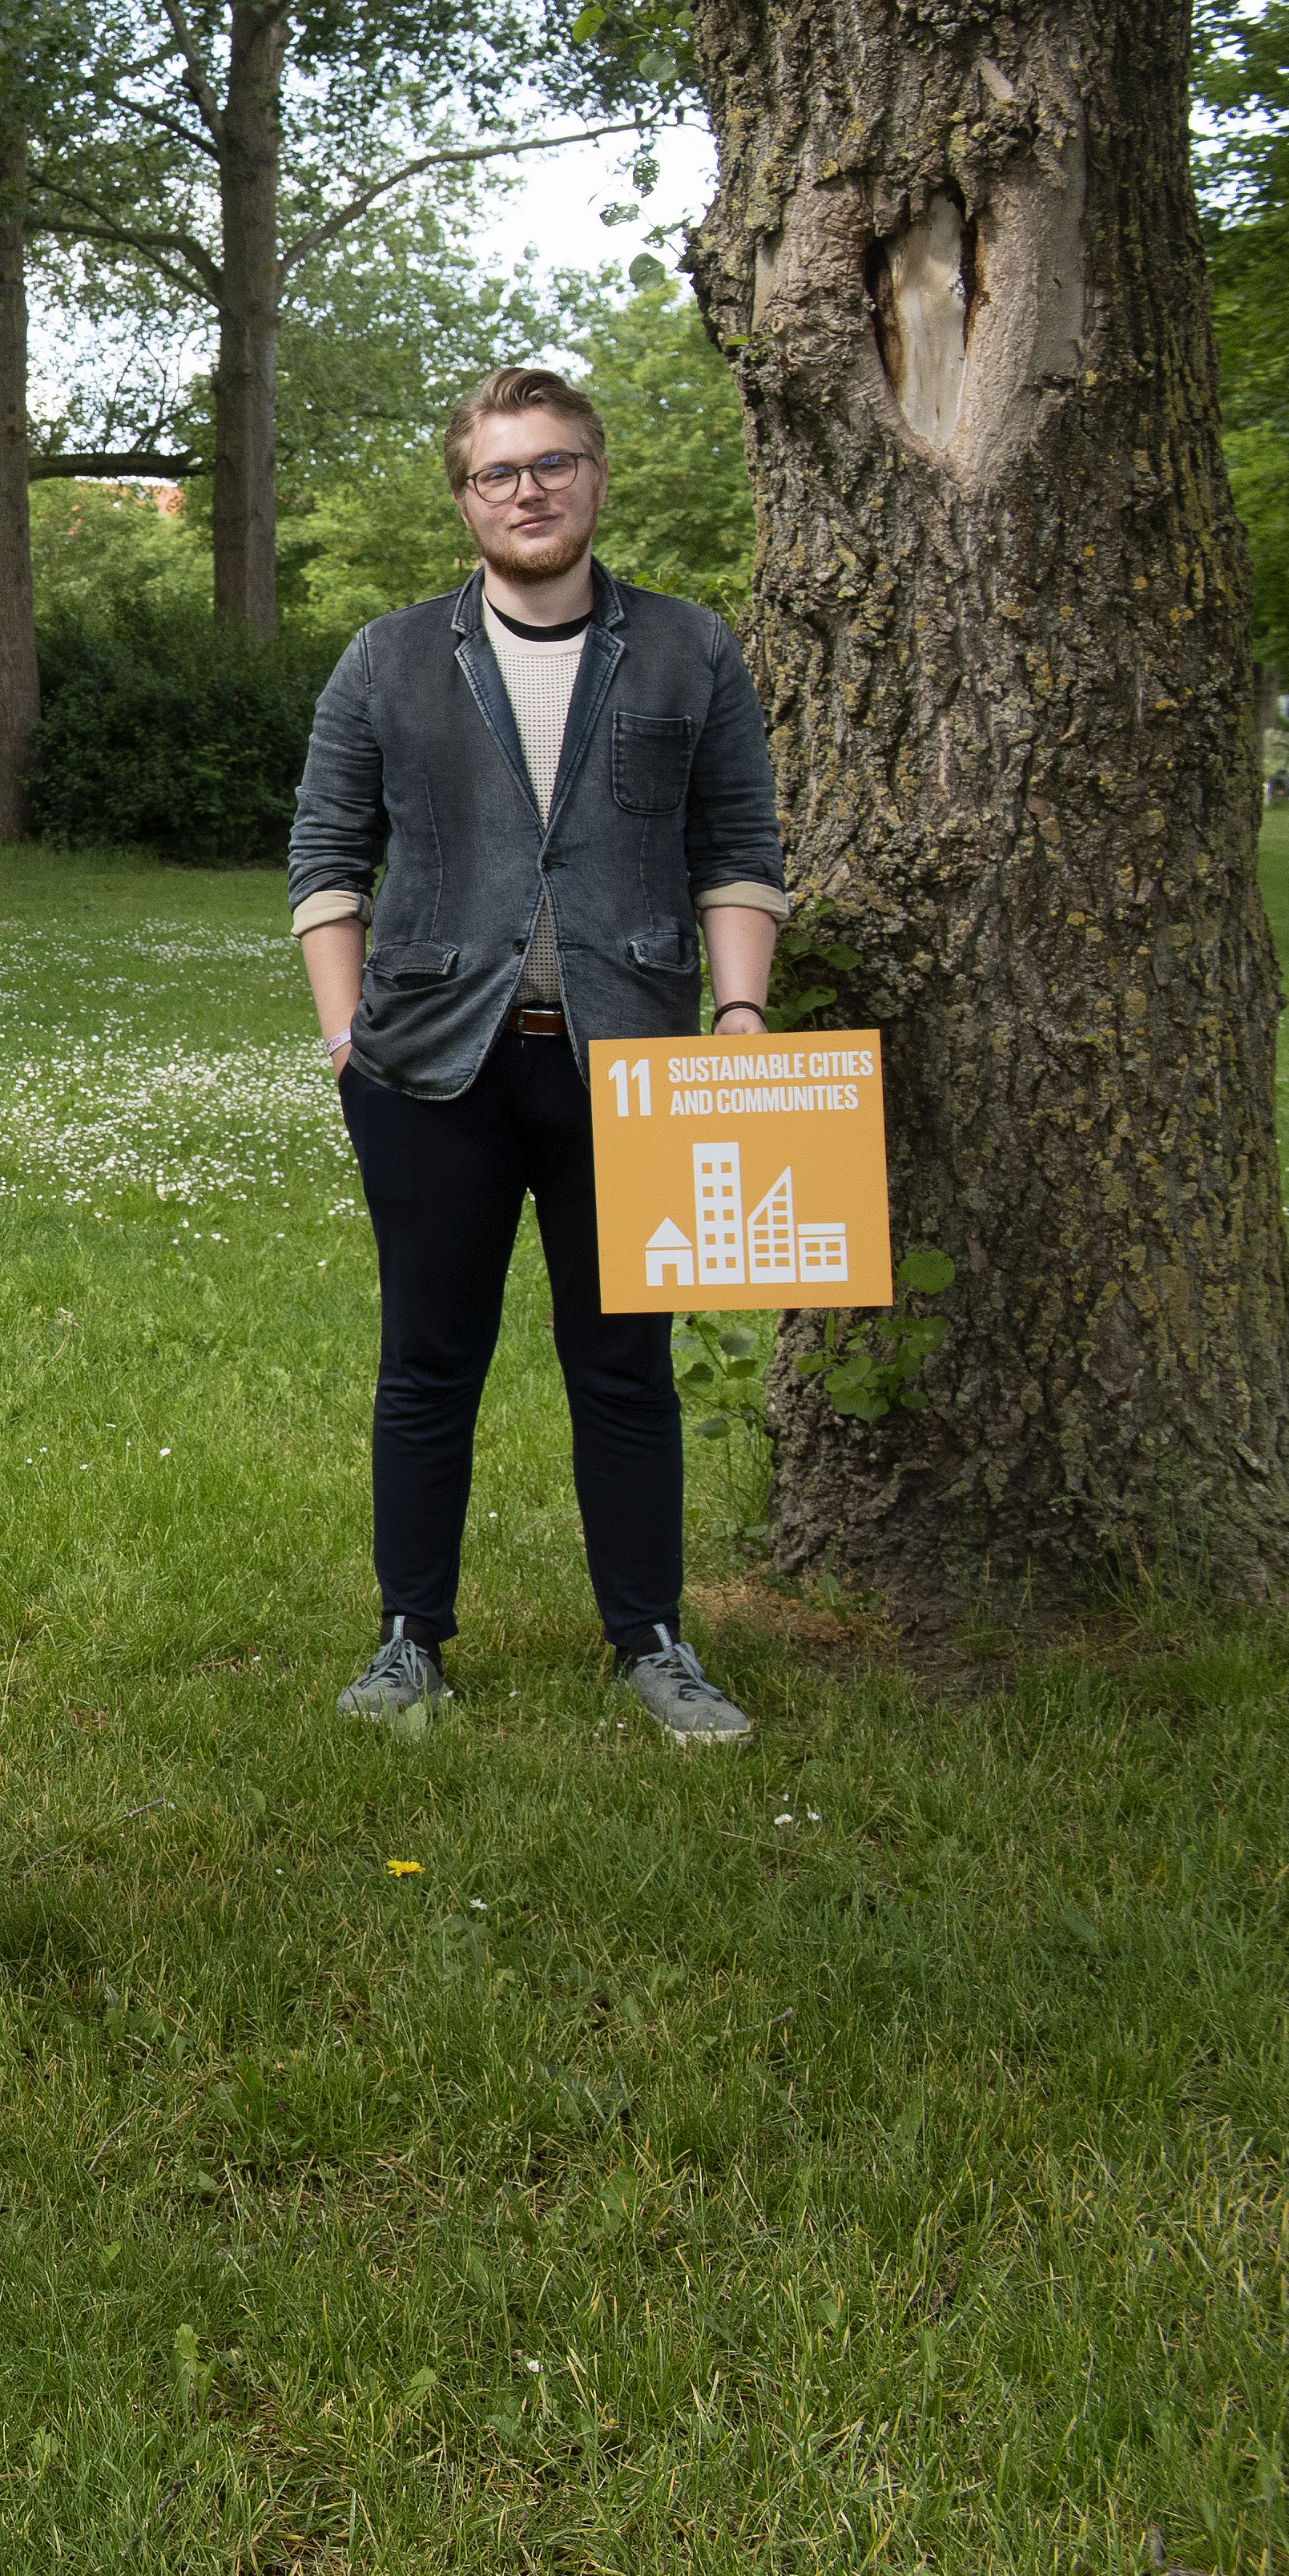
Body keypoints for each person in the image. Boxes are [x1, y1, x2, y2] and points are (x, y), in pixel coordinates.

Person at [288, 362, 788, 1745]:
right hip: (426, 1069)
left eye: (552, 462)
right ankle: (406, 1641)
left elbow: (738, 851)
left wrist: (736, 1025)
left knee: (621, 1363)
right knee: (425, 1359)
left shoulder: (688, 648)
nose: (528, 490)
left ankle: (652, 1639)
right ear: (462, 496)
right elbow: (325, 858)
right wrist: (343, 1033)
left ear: (594, 475)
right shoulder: (387, 656)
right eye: (498, 471)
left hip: (634, 1067)